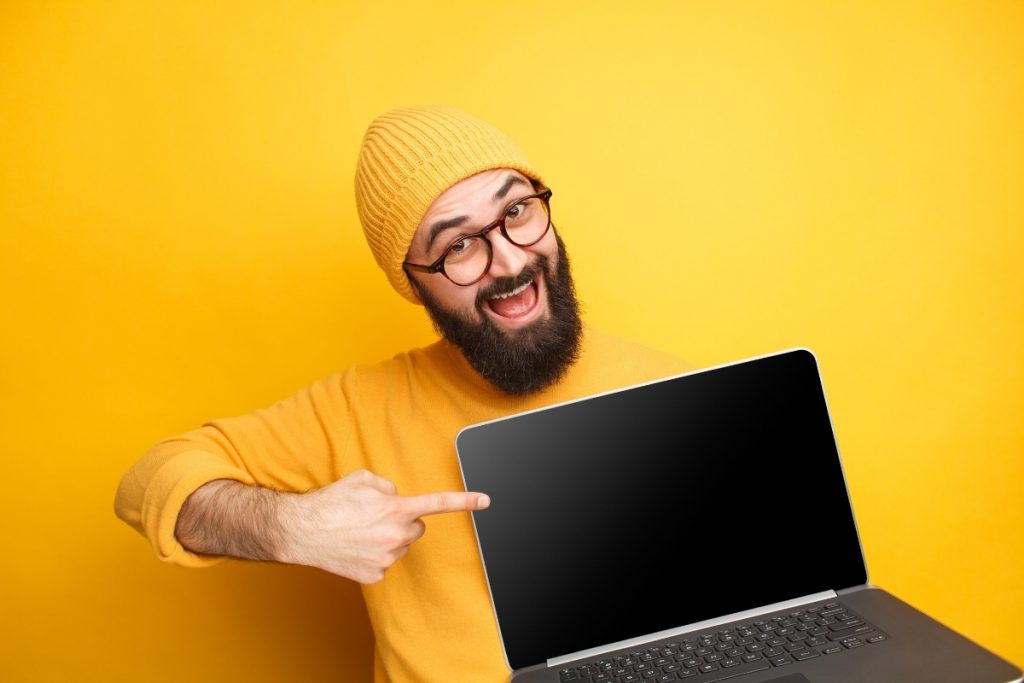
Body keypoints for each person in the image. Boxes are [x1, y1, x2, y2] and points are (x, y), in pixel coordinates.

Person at [115, 106, 693, 682]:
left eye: (517, 210)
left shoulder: (681, 392)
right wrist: (289, 525)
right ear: (414, 283)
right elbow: (150, 481)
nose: (512, 259)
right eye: (459, 245)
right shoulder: (359, 408)